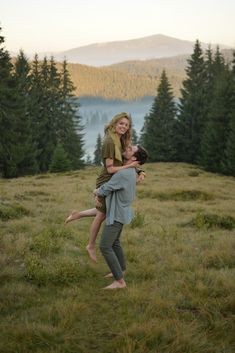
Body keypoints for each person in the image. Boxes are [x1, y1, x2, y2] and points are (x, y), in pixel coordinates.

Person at [65, 113, 142, 262]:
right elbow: (110, 169)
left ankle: (77, 215)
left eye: (126, 125)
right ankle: (91, 245)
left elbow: (126, 160)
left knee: (104, 211)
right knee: (102, 214)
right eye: (121, 123)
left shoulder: (119, 139)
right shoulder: (109, 142)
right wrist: (132, 167)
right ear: (114, 123)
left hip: (114, 180)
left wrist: (139, 170)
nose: (123, 127)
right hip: (107, 181)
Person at [94, 145, 148, 289]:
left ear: (134, 158)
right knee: (115, 242)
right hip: (122, 211)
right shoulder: (130, 170)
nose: (127, 148)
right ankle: (121, 270)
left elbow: (107, 188)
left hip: (117, 213)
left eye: (131, 149)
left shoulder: (124, 174)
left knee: (105, 246)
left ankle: (119, 281)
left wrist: (96, 191)